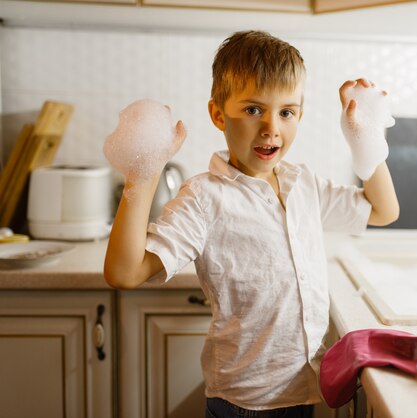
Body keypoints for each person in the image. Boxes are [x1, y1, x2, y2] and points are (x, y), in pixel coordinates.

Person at [103, 30, 399, 418]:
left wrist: (366, 140)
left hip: (304, 389)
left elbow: (382, 211)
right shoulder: (206, 197)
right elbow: (124, 273)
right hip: (245, 403)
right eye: (253, 109)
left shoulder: (302, 183)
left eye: (286, 112)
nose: (271, 128)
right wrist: (142, 173)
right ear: (218, 114)